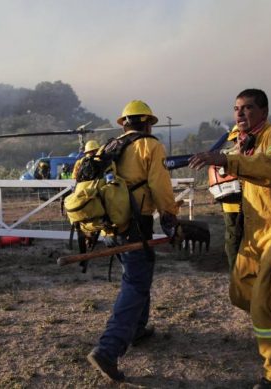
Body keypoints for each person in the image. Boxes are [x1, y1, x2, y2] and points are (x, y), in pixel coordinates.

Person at [189, 89, 271, 388]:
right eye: (236, 108)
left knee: (265, 306)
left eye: (248, 108)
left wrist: (229, 162)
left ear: (264, 112)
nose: (240, 114)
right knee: (240, 293)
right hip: (255, 229)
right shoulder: (242, 143)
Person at [87, 100, 179, 382]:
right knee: (136, 284)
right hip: (136, 226)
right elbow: (161, 185)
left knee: (138, 275)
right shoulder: (150, 146)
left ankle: (137, 328)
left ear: (124, 123)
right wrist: (170, 216)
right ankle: (108, 349)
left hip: (110, 226)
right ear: (148, 123)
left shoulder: (108, 147)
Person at [208, 125, 243, 271]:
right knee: (241, 240)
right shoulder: (250, 155)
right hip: (245, 206)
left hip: (230, 205)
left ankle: (236, 272)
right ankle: (240, 273)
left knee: (233, 240)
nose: (236, 142)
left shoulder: (225, 156)